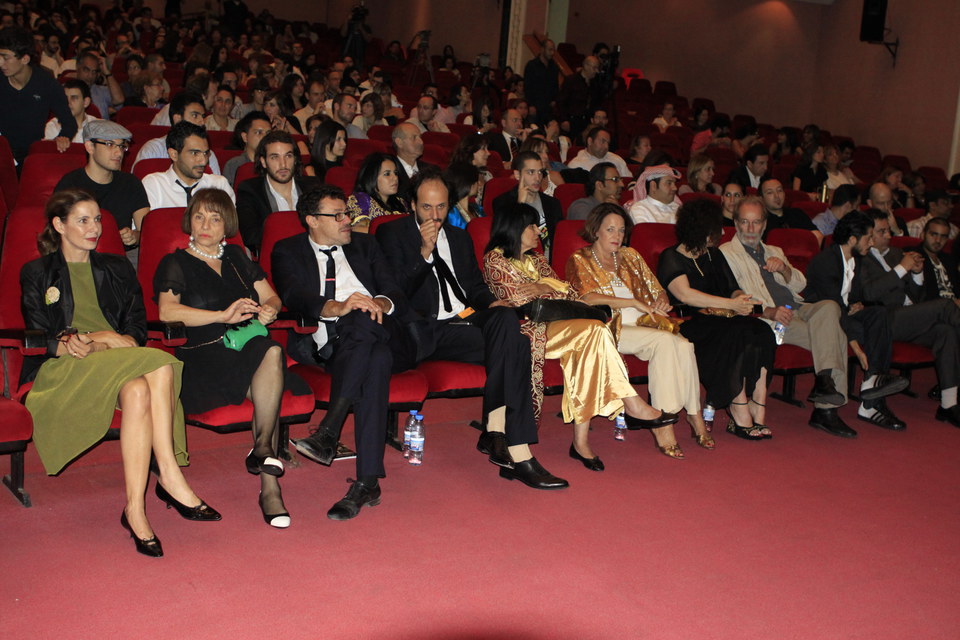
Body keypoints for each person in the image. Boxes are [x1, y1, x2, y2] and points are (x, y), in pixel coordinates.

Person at [21, 190, 219, 557]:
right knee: (160, 363)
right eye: (82, 220)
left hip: (118, 357)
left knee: (138, 391)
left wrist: (116, 339)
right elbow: (40, 334)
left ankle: (135, 509)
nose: (94, 228)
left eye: (97, 219)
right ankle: (171, 477)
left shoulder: (116, 266)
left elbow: (137, 325)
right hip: (68, 365)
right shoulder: (36, 272)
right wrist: (99, 338)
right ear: (59, 225)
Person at [376, 173, 568, 485]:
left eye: (441, 207)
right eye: (426, 207)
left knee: (507, 322)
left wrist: (492, 304)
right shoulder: (391, 233)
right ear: (412, 205)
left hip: (463, 320)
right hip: (424, 329)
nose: (435, 216)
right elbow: (395, 293)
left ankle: (504, 439)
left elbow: (474, 288)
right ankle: (506, 441)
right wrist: (424, 252)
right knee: (516, 345)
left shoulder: (459, 236)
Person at [155, 189, 310, 529]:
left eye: (214, 218)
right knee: (267, 367)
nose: (206, 224)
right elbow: (167, 311)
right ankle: (269, 483)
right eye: (199, 216)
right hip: (204, 354)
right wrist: (221, 316)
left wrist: (268, 310)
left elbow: (272, 297)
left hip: (247, 345)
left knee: (270, 349)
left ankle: (263, 456)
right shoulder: (176, 262)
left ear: (227, 225)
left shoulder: (237, 257)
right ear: (189, 222)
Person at [483, 202, 680, 465]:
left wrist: (540, 286)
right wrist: (547, 287)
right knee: (595, 332)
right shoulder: (495, 259)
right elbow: (517, 298)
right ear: (514, 227)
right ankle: (630, 406)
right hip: (525, 331)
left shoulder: (537, 259)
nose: (538, 232)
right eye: (531, 226)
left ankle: (583, 440)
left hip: (556, 324)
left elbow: (571, 293)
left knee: (593, 337)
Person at [272, 185, 417, 520]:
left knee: (363, 321)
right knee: (372, 358)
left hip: (388, 333)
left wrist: (378, 302)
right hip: (336, 346)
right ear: (311, 220)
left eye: (346, 214)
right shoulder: (287, 251)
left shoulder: (366, 245)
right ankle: (367, 481)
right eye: (335, 215)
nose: (346, 221)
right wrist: (338, 307)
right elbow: (294, 294)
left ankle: (331, 428)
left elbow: (395, 288)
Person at [567, 203, 714, 456]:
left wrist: (660, 301)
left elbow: (656, 289)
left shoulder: (631, 256)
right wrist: (632, 302)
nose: (617, 236)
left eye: (621, 230)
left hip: (645, 323)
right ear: (596, 231)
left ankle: (693, 414)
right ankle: (663, 427)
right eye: (610, 229)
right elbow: (586, 298)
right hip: (610, 327)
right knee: (665, 343)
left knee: (684, 344)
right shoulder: (580, 259)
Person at [720, 196, 859, 438]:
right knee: (833, 335)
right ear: (736, 223)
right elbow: (733, 296)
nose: (750, 229)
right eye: (744, 222)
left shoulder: (774, 250)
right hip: (772, 320)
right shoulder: (727, 253)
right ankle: (826, 409)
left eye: (756, 222)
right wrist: (769, 311)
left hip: (796, 306)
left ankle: (825, 383)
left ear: (764, 224)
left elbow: (800, 284)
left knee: (829, 307)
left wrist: (784, 268)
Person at [655, 198, 776, 439]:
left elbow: (732, 287)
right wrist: (731, 304)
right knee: (733, 334)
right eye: (716, 227)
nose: (721, 231)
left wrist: (742, 298)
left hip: (724, 318)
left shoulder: (714, 255)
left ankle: (758, 406)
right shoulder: (671, 256)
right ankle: (738, 408)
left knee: (762, 331)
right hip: (693, 323)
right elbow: (685, 294)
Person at [802, 211, 908, 431]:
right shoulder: (825, 261)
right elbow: (833, 307)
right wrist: (856, 347)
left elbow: (859, 297)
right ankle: (833, 408)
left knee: (878, 314)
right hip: (820, 316)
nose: (872, 242)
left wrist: (855, 304)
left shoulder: (856, 261)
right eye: (868, 237)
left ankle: (873, 384)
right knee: (841, 319)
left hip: (842, 313)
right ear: (852, 240)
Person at [860, 210, 960, 428]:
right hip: (883, 320)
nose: (889, 235)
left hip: (908, 318)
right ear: (868, 234)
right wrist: (902, 268)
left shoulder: (896, 253)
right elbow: (869, 293)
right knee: (945, 306)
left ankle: (948, 405)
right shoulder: (861, 258)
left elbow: (916, 296)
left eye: (888, 230)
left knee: (947, 332)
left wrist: (916, 273)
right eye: (882, 231)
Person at [54, 121, 150, 255]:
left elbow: (147, 231)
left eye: (122, 146)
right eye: (110, 145)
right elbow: (57, 232)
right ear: (90, 147)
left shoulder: (131, 183)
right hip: (79, 254)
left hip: (122, 256)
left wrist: (134, 236)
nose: (119, 153)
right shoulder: (70, 184)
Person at [0, 26, 76, 166]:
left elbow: (69, 123)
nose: (1, 63)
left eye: (6, 58)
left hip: (31, 156)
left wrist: (63, 138)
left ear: (24, 59)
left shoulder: (47, 84)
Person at [236, 130, 321, 253]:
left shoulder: (312, 186)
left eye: (288, 156)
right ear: (264, 162)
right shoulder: (250, 190)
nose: (283, 164)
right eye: (275, 157)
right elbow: (250, 236)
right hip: (274, 256)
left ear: (295, 159)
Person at [142, 122, 236, 210]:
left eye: (206, 153)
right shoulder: (154, 185)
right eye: (195, 153)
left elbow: (231, 226)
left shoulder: (219, 185)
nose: (203, 161)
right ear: (174, 154)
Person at [133, 91, 223, 175]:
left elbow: (216, 190)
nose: (202, 122)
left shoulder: (208, 155)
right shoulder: (153, 150)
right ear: (177, 119)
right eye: (195, 115)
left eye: (203, 116)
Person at [492, 151, 563, 250]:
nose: (537, 178)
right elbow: (506, 241)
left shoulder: (552, 203)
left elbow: (559, 242)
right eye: (531, 172)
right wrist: (520, 204)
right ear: (517, 174)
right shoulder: (503, 203)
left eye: (540, 172)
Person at [346, 152, 410, 232]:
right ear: (372, 177)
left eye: (395, 173)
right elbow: (356, 229)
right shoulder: (361, 199)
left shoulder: (401, 202)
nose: (395, 178)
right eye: (387, 174)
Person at [222, 110, 272, 186]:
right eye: (258, 132)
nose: (265, 137)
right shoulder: (234, 165)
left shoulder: (274, 163)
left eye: (268, 133)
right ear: (245, 137)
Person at [44, 79, 99, 144]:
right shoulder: (53, 126)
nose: (68, 103)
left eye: (74, 98)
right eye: (65, 98)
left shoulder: (99, 127)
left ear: (85, 102)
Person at [392, 122, 439, 198]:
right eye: (414, 137)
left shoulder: (432, 171)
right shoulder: (389, 172)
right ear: (399, 142)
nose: (421, 142)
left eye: (420, 137)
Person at [442, 163, 483, 229]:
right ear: (468, 183)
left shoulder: (478, 209)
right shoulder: (451, 213)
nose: (479, 184)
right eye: (476, 181)